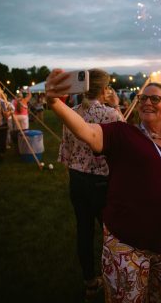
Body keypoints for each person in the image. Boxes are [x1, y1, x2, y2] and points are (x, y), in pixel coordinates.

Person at [46, 70, 161, 303]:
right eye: (143, 98)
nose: (147, 102)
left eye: (155, 99)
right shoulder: (123, 133)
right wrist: (54, 102)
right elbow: (88, 132)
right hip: (128, 245)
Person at [58, 69, 124, 301]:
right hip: (102, 182)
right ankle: (115, 278)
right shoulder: (110, 114)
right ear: (104, 89)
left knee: (84, 232)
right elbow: (125, 141)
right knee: (112, 233)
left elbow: (65, 151)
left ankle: (89, 282)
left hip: (77, 179)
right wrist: (117, 107)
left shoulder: (71, 113)